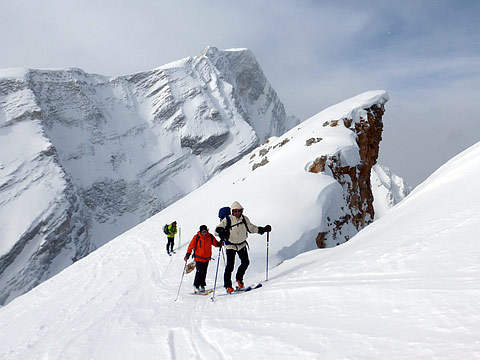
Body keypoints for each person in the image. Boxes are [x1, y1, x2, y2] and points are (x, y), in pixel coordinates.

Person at [215, 201, 271, 293]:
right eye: (235, 211)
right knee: (230, 266)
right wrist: (220, 231)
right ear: (232, 211)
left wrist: (263, 229)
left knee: (245, 262)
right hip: (230, 246)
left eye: (239, 211)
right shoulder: (227, 220)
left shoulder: (244, 219)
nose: (237, 213)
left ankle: (239, 279)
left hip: (241, 244)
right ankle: (228, 286)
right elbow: (216, 231)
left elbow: (252, 228)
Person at [184, 225, 222, 293]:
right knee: (199, 272)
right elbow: (191, 246)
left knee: (204, 272)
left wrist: (219, 244)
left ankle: (202, 285)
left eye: (205, 231)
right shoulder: (197, 237)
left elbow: (215, 243)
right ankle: (196, 285)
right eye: (203, 232)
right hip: (198, 258)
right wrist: (188, 254)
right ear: (200, 231)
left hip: (207, 258)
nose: (204, 233)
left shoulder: (210, 237)